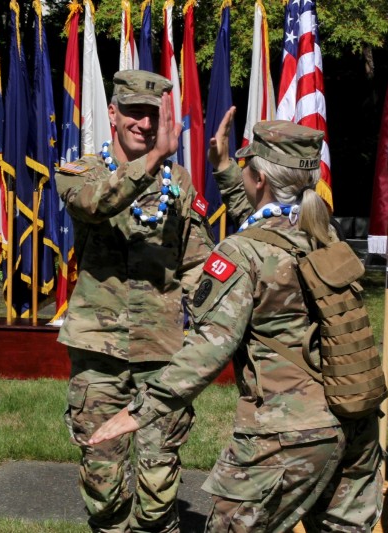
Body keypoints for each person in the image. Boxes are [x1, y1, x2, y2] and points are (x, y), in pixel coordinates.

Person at [88, 111, 385, 532]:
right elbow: (266, 218)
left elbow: (210, 345)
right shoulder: (325, 235)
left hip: (285, 432)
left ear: (260, 179)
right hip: (355, 421)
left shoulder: (240, 254)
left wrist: (142, 410)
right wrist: (226, 167)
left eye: (248, 169)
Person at [55, 70, 236, 533]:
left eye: (152, 114)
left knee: (160, 474)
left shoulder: (178, 181)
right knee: (103, 475)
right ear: (112, 113)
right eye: (133, 111)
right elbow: (95, 205)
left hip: (163, 350)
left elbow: (196, 258)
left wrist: (209, 321)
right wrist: (154, 158)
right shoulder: (80, 172)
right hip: (99, 352)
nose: (142, 122)